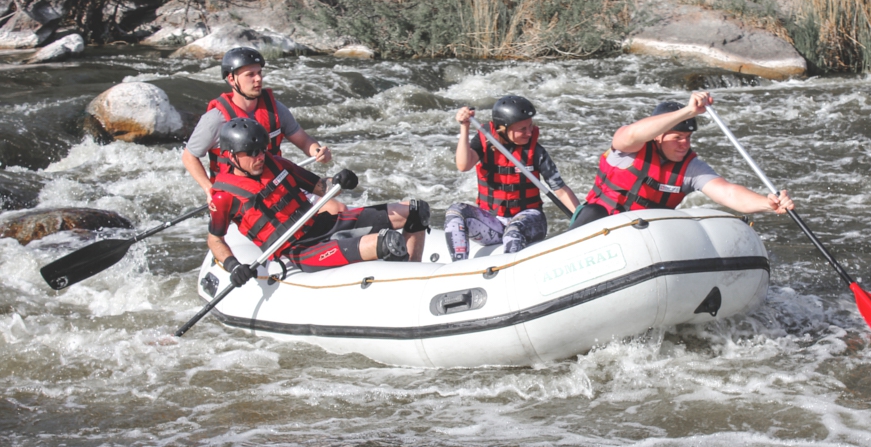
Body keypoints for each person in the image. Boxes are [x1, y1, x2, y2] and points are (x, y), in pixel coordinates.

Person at [208, 119, 430, 286]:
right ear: (230, 155)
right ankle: (403, 288)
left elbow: (319, 187)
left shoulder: (276, 164)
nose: (259, 157)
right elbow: (214, 239)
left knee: (416, 211)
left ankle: (414, 278)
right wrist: (233, 266)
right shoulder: (223, 196)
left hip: (323, 224)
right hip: (300, 249)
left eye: (262, 150)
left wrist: (339, 181)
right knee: (387, 243)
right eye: (251, 152)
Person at [571, 91, 793, 227]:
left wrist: (768, 204)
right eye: (677, 137)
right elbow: (630, 134)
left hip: (645, 233)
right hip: (602, 222)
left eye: (688, 138)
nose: (684, 144)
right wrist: (688, 111)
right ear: (658, 136)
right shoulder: (629, 149)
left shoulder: (691, 168)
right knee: (593, 212)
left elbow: (728, 192)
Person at [182, 46, 334, 204]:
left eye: (259, 73)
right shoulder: (215, 118)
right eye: (250, 75)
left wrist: (317, 151)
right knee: (329, 207)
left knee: (336, 206)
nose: (258, 79)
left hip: (274, 184)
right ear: (232, 79)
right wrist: (209, 190)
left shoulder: (275, 109)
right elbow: (189, 157)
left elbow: (303, 141)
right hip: (239, 195)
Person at [445, 95, 580, 260]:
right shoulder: (485, 141)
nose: (529, 132)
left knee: (513, 232)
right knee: (455, 212)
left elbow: (561, 190)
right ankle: (460, 269)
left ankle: (509, 273)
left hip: (530, 219)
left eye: (530, 126)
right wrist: (464, 127)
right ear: (503, 128)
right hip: (494, 221)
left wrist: (581, 219)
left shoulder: (536, 152)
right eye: (522, 129)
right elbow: (463, 165)